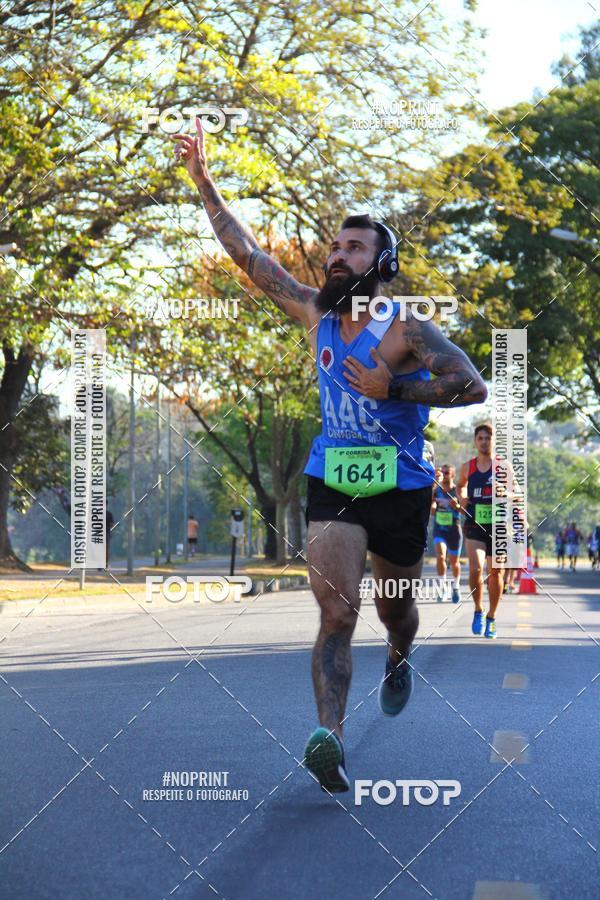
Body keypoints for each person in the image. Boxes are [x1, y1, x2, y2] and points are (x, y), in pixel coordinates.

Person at [172, 118, 487, 793]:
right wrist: (205, 185)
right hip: (335, 477)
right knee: (338, 612)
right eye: (335, 247)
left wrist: (397, 385)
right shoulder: (316, 311)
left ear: (381, 262)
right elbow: (252, 259)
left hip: (401, 485)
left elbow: (471, 384)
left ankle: (399, 656)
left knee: (393, 609)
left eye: (353, 248)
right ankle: (331, 742)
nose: (336, 256)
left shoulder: (406, 327)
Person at [456, 423, 504, 640]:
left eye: (488, 438)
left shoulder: (503, 467)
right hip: (475, 523)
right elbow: (459, 485)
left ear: (494, 441)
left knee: (496, 574)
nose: (484, 442)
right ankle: (478, 609)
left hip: (498, 526)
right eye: (481, 438)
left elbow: (517, 495)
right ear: (476, 442)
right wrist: (462, 497)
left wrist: (506, 493)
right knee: (475, 568)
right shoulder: (468, 467)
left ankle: (492, 617)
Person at [430, 464, 462, 603]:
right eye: (443, 472)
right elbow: (431, 507)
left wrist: (458, 506)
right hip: (439, 529)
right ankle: (442, 589)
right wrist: (432, 507)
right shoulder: (436, 491)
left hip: (454, 529)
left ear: (453, 475)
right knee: (441, 556)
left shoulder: (458, 491)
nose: (445, 474)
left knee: (454, 562)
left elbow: (464, 511)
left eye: (447, 472)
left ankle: (456, 586)